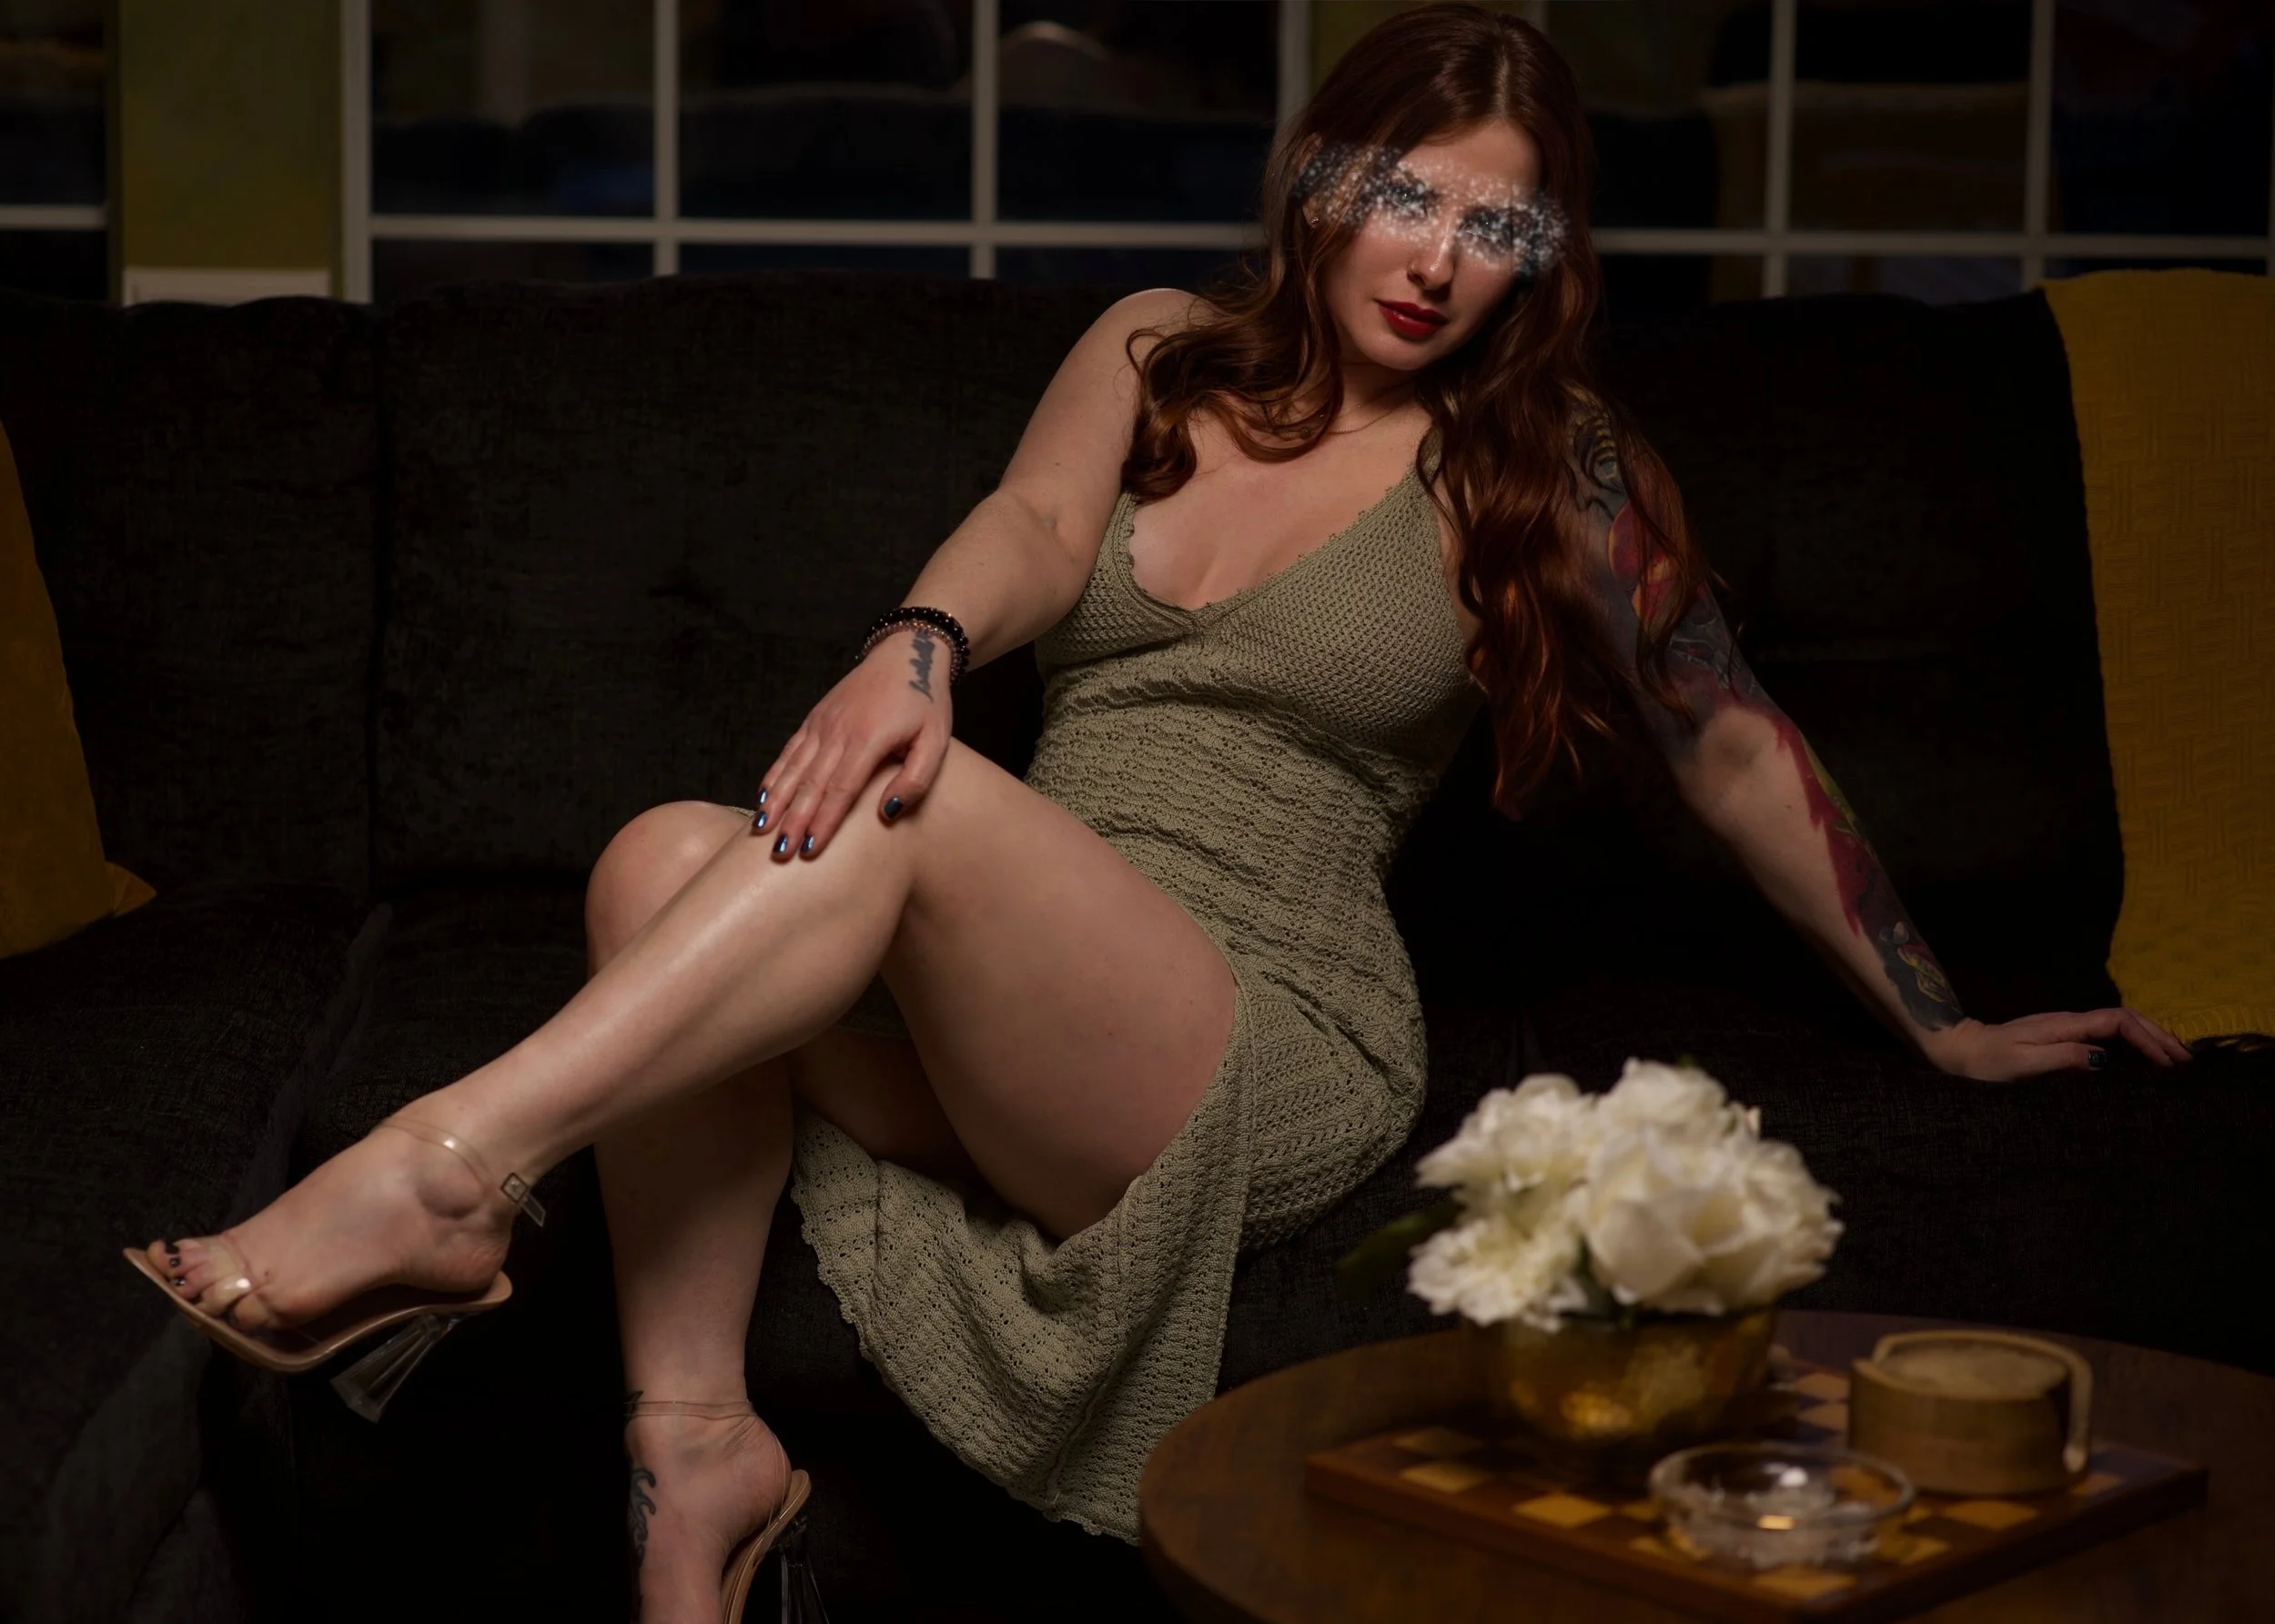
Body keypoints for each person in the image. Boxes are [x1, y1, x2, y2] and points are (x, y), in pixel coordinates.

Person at [131, 6, 2189, 1620]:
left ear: (1541, 261)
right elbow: (1037, 527)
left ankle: (444, 1170)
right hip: (1000, 1001)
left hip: (1257, 1029)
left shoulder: (1545, 465)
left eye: (1499, 228)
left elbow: (1729, 744)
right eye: (1408, 195)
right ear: (1325, 178)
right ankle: (698, 1454)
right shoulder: (1155, 350)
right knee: (660, 855)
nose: (1439, 261)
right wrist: (920, 640)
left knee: (915, 810)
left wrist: (1938, 1017)